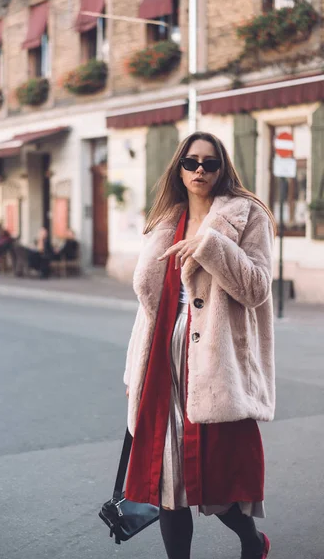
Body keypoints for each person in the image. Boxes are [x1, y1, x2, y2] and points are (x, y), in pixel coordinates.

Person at [123, 132, 275, 559]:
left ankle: (252, 540)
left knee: (216, 478)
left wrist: (211, 245)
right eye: (191, 163)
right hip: (161, 359)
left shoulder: (247, 215)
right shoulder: (165, 220)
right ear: (179, 168)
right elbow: (148, 307)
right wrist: (134, 369)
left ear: (223, 168)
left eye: (210, 163)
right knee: (167, 481)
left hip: (215, 359)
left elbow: (258, 288)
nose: (200, 171)